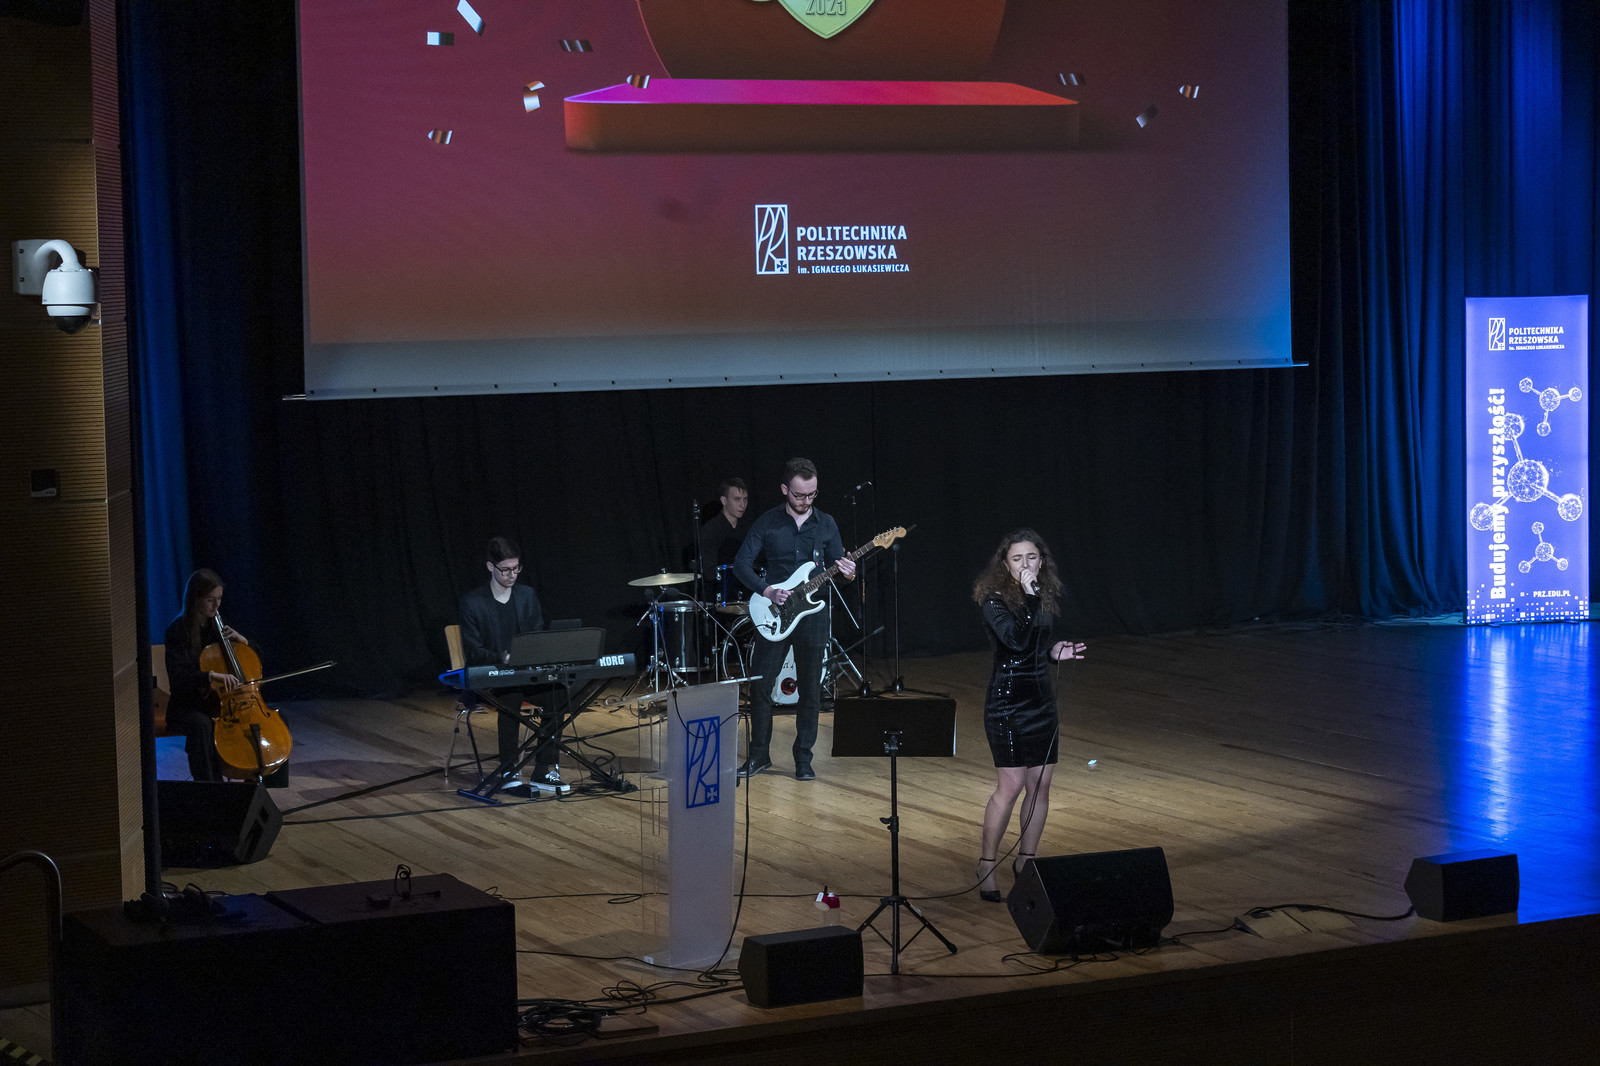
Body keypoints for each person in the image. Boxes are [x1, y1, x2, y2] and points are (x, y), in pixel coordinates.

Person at [971, 530, 1086, 902]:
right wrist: (1031, 595)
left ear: (1042, 561)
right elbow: (1014, 641)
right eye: (1017, 558)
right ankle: (987, 864)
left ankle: (1027, 860)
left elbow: (1034, 646)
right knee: (1011, 787)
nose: (1026, 564)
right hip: (1007, 703)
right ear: (1006, 565)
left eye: (1032, 557)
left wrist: (1053, 652)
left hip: (1041, 702)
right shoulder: (993, 600)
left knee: (1040, 786)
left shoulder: (1042, 595)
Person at [732, 457, 855, 780]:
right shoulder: (768, 522)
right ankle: (759, 756)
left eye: (812, 494)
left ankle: (804, 759)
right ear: (785, 489)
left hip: (813, 615)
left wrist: (848, 572)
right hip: (775, 612)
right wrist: (768, 591)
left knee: (811, 689)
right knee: (761, 685)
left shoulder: (826, 523)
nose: (806, 501)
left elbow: (838, 567)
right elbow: (741, 565)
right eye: (800, 495)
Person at [459, 536, 566, 793]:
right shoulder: (473, 602)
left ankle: (544, 768)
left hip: (524, 674)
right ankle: (508, 770)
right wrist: (503, 658)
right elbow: (473, 652)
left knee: (558, 692)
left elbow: (537, 635)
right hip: (492, 677)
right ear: (490, 567)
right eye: (506, 570)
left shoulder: (526, 595)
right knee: (511, 694)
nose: (512, 575)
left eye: (516, 568)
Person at [163, 569, 250, 782]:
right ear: (195, 599)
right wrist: (211, 676)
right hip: (187, 706)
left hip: (219, 704)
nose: (216, 605)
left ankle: (257, 782)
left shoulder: (217, 627)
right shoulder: (177, 630)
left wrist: (243, 642)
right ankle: (209, 786)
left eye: (219, 599)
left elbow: (251, 661)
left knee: (273, 720)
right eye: (211, 600)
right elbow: (179, 679)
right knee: (201, 725)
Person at [697, 476, 751, 599]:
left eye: (745, 499)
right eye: (737, 499)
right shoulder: (710, 530)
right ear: (724, 500)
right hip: (720, 594)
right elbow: (710, 572)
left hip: (746, 592)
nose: (742, 505)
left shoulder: (748, 528)